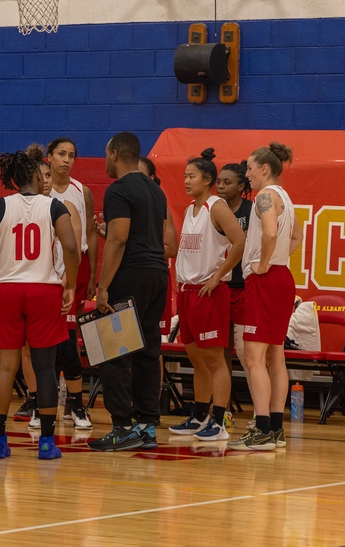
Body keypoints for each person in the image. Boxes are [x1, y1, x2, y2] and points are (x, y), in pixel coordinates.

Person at [0, 151, 79, 460]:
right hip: (44, 290)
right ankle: (46, 442)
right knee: (45, 367)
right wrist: (70, 284)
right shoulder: (54, 205)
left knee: (5, 367)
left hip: (5, 290)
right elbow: (71, 247)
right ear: (34, 175)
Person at [89, 132, 177, 452]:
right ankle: (146, 426)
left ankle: (122, 427)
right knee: (148, 351)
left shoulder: (119, 190)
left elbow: (119, 239)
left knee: (113, 352)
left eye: (105, 154)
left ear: (114, 154)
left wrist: (102, 287)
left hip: (131, 276)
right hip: (157, 276)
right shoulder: (156, 192)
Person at [228, 143, 303, 451]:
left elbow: (270, 233)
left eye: (249, 168)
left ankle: (260, 430)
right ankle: (274, 429)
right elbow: (297, 235)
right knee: (275, 356)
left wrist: (262, 263)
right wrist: (278, 258)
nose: (246, 174)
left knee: (253, 357)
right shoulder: (286, 197)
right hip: (283, 278)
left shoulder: (263, 197)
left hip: (267, 279)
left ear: (264, 169)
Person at [167, 149, 246, 442]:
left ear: (207, 179)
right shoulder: (191, 209)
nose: (186, 181)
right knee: (196, 358)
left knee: (215, 360)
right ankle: (199, 415)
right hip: (188, 293)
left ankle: (219, 420)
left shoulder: (217, 206)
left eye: (192, 176)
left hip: (210, 291)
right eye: (185, 176)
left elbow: (239, 241)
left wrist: (217, 275)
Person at [43, 138, 96, 429]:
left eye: (72, 155)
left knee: (66, 339)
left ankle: (75, 404)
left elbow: (88, 234)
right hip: (42, 273)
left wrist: (92, 277)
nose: (67, 159)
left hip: (74, 269)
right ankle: (44, 400)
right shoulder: (38, 190)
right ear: (49, 157)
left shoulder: (81, 192)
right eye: (61, 154)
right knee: (43, 340)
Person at [216, 161, 254, 375]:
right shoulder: (212, 209)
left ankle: (261, 406)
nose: (220, 186)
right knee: (221, 350)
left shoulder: (251, 210)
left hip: (242, 286)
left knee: (244, 351)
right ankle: (224, 406)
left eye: (227, 182)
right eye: (218, 182)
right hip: (219, 285)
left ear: (241, 186)